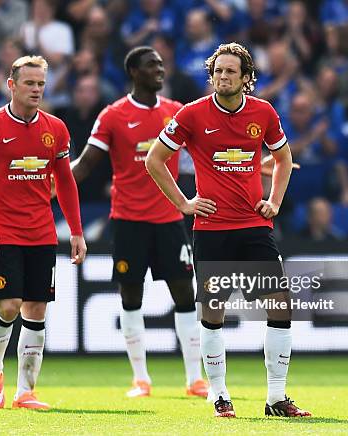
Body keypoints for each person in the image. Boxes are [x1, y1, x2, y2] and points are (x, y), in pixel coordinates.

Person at [146, 42, 311, 418]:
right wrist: (184, 204)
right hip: (212, 228)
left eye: (230, 71)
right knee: (214, 311)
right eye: (217, 71)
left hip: (254, 225)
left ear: (247, 78)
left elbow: (284, 159)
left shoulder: (263, 112)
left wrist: (275, 202)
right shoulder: (191, 115)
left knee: (280, 305)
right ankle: (219, 395)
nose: (222, 77)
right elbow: (155, 159)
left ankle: (276, 398)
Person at [70, 46, 208, 398]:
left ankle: (195, 379)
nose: (160, 70)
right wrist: (52, 183)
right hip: (129, 221)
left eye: (162, 64)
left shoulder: (176, 112)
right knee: (131, 296)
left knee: (185, 296)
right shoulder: (113, 115)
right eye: (151, 65)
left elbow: (208, 151)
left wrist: (257, 164)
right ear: (133, 71)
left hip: (169, 220)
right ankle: (141, 379)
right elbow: (85, 164)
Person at [0, 55, 86, 410]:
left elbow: (65, 182)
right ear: (12, 85)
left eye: (41, 84)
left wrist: (76, 232)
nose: (36, 89)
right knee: (9, 304)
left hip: (42, 233)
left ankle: (25, 392)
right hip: (2, 232)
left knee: (36, 309)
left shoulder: (56, 128)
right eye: (30, 83)